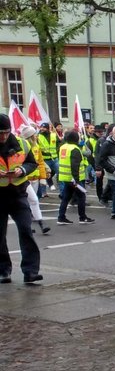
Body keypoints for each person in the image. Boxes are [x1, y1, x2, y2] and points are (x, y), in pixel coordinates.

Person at [0, 115, 42, 284]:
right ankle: (3, 270)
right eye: (0, 133)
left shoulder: (22, 143)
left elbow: (32, 163)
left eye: (6, 132)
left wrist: (22, 170)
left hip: (18, 193)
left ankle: (30, 271)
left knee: (26, 230)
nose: (3, 136)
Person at [57, 130, 94, 226]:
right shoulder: (75, 149)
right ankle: (82, 217)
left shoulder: (63, 147)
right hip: (74, 179)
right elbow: (75, 166)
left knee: (66, 198)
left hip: (65, 177)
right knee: (81, 197)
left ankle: (61, 217)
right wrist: (76, 180)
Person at [19, 126, 50, 234]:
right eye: (34, 135)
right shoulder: (23, 147)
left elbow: (40, 162)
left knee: (34, 200)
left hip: (35, 179)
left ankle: (40, 224)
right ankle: (32, 224)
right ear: (30, 137)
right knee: (29, 202)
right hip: (24, 180)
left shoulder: (36, 147)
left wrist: (43, 177)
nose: (36, 136)